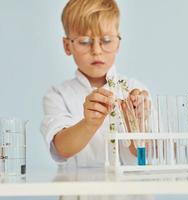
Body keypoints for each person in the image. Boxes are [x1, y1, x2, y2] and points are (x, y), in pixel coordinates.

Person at [41, 0, 153, 199]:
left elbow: (145, 155)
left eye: (107, 40)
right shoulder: (58, 95)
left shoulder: (137, 91)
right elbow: (61, 149)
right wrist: (88, 124)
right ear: (68, 46)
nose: (97, 50)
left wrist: (135, 123)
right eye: (85, 41)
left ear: (118, 43)